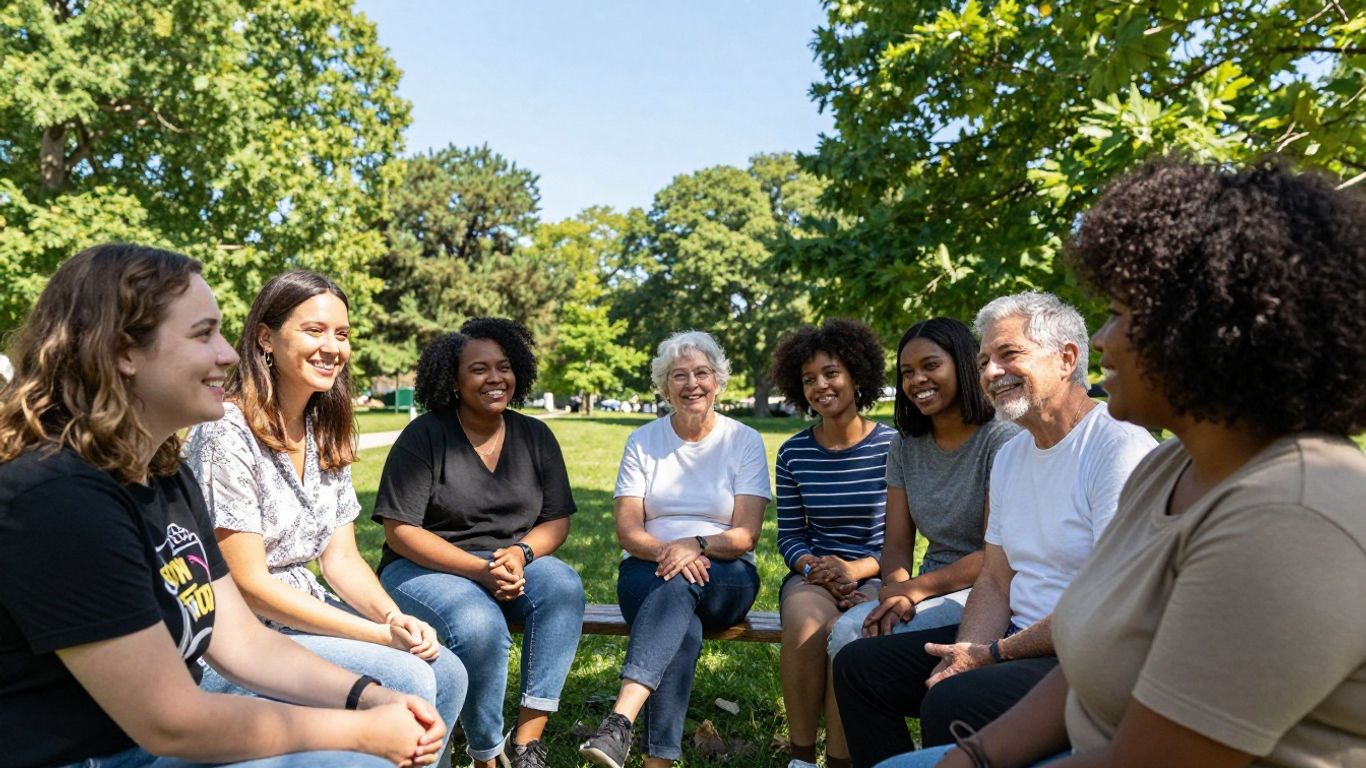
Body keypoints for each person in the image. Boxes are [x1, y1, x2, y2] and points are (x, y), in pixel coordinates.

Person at [881, 160, 1366, 767]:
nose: (1103, 340)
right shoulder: (1168, 471)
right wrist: (975, 755)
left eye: (1121, 312)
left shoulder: (1291, 516)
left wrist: (989, 680)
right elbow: (1093, 659)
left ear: (1211, 329)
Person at [0, 244, 445, 768]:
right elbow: (172, 721)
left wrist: (371, 696)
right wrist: (361, 731)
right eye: (201, 334)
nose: (229, 354)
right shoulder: (56, 498)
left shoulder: (163, 474)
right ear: (123, 351)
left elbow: (241, 643)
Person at [835, 292, 1157, 767]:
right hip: (1010, 638)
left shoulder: (1117, 446)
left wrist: (993, 653)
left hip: (1083, 658)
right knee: (859, 667)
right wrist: (965, 651)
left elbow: (1113, 601)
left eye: (1009, 355)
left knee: (952, 700)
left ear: (1066, 358)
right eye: (984, 360)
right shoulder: (1013, 455)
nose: (989, 372)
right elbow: (994, 577)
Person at [183, 271, 465, 764]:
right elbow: (249, 585)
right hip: (236, 643)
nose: (332, 347)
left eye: (342, 334)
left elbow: (341, 559)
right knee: (409, 676)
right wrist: (377, 635)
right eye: (314, 331)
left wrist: (394, 617)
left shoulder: (323, 429)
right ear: (265, 338)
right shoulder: (228, 432)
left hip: (303, 618)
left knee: (449, 672)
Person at [374, 318, 585, 768]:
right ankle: (487, 752)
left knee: (563, 586)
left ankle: (526, 744)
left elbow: (556, 520)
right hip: (423, 569)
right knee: (478, 624)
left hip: (510, 563)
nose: (495, 379)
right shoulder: (425, 436)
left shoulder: (535, 436)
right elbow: (401, 530)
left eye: (504, 367)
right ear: (453, 379)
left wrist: (521, 554)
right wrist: (479, 570)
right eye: (479, 369)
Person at [579, 331, 772, 768]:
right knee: (680, 621)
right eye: (678, 376)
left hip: (728, 573)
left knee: (678, 585)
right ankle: (656, 762)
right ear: (665, 387)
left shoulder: (743, 441)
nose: (692, 384)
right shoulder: (643, 441)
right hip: (647, 567)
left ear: (718, 381)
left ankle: (619, 719)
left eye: (702, 373)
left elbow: (746, 535)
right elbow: (629, 532)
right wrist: (673, 552)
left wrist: (696, 545)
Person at [827, 318, 1019, 660]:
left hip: (989, 590)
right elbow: (898, 544)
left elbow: (994, 556)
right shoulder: (905, 446)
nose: (917, 380)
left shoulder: (1001, 439)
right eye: (907, 372)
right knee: (851, 631)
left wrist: (911, 589)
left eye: (931, 366)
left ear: (962, 365)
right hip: (925, 586)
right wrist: (894, 591)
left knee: (852, 636)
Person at [768, 319, 898, 768]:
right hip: (812, 577)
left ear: (857, 375)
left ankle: (841, 761)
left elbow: (902, 540)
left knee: (852, 637)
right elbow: (788, 535)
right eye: (808, 379)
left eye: (831, 373)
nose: (820, 386)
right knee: (805, 625)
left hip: (876, 575)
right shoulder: (793, 453)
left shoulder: (893, 446)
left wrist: (856, 570)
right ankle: (802, 758)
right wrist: (811, 568)